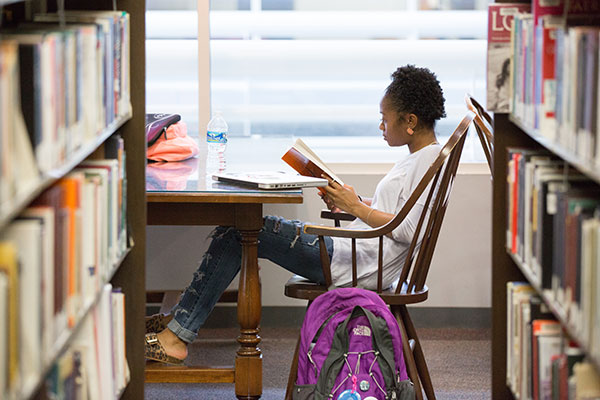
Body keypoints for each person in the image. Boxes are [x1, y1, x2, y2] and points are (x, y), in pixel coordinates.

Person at [144, 64, 447, 364]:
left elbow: (409, 230)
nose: (381, 127)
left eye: (384, 120)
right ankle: (181, 321)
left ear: (410, 120)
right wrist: (353, 201)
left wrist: (357, 207)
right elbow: (399, 211)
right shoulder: (422, 158)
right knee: (235, 229)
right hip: (353, 251)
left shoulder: (427, 162)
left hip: (354, 262)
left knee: (242, 231)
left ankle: (179, 332)